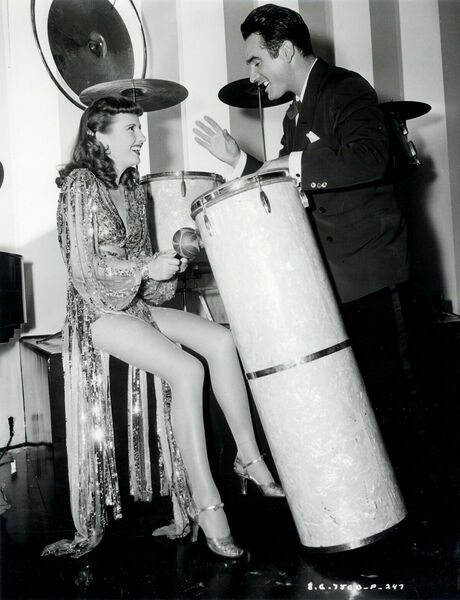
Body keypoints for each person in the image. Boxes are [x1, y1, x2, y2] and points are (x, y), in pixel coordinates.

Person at [42, 96, 283, 560]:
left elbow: (148, 288)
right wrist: (144, 268)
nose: (141, 137)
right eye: (130, 128)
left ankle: (248, 457)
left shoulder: (133, 187)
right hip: (95, 315)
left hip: (133, 307)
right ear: (97, 134)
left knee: (222, 339)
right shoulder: (79, 186)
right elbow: (84, 273)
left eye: (140, 127)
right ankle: (211, 510)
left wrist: (165, 267)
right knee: (188, 370)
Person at [194, 4, 415, 480]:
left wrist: (293, 163)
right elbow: (282, 186)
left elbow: (371, 157)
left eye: (256, 61)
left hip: (374, 278)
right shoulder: (294, 114)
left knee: (396, 407)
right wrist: (238, 162)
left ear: (288, 51)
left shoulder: (346, 88)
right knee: (365, 410)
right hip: (333, 283)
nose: (252, 75)